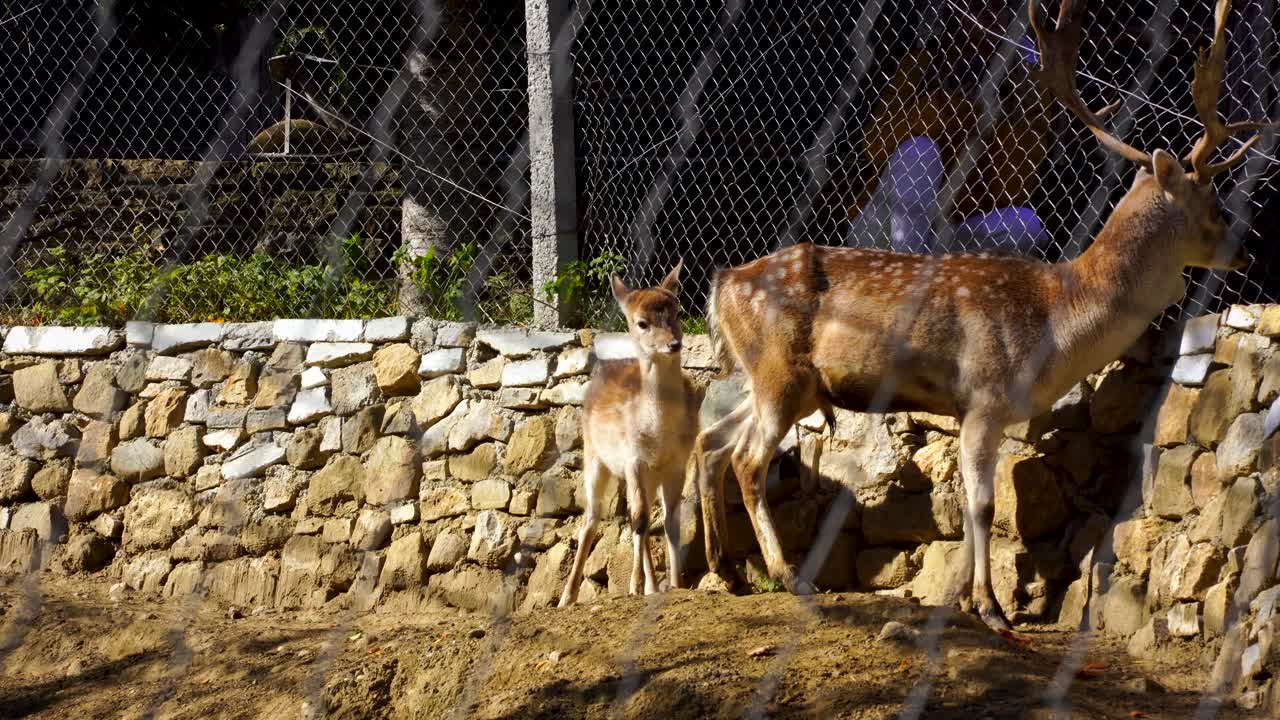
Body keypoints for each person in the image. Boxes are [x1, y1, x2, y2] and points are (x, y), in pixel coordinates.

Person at [845, 0, 1054, 256]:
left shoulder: (1025, 84)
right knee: (920, 151)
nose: (989, 16)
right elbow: (874, 144)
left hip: (952, 233)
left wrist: (1020, 99)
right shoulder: (922, 63)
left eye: (997, 7)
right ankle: (910, 270)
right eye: (977, 9)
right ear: (956, 15)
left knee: (1026, 225)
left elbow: (1013, 189)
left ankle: (920, 271)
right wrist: (947, 103)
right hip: (884, 226)